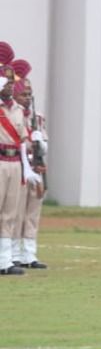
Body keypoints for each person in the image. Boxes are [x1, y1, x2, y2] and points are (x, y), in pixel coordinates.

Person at [0, 43, 39, 276]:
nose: (10, 86)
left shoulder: (15, 109)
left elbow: (23, 141)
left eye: (12, 82)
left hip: (15, 164)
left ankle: (4, 260)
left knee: (10, 212)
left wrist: (28, 168)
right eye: (7, 82)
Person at [11, 59, 48, 269]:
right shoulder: (13, 114)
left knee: (32, 213)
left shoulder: (38, 118)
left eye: (29, 94)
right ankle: (13, 253)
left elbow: (45, 146)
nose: (26, 98)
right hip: (18, 166)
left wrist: (39, 142)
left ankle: (29, 254)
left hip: (36, 167)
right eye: (23, 94)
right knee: (16, 212)